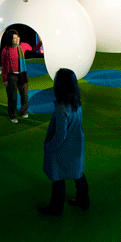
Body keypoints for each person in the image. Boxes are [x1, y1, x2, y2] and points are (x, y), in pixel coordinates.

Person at [40, 68, 89, 216]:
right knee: (78, 174)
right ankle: (83, 201)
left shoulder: (62, 108)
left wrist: (49, 146)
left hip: (63, 149)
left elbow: (60, 135)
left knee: (58, 178)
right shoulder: (76, 102)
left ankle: (56, 208)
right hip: (76, 145)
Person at [1, 29, 38, 123]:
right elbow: (4, 66)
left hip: (22, 74)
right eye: (14, 38)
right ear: (10, 39)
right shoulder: (5, 50)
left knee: (24, 94)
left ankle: (24, 111)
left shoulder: (23, 46)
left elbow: (34, 50)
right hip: (11, 76)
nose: (17, 40)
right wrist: (4, 79)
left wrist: (40, 42)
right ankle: (12, 116)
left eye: (18, 37)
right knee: (12, 97)